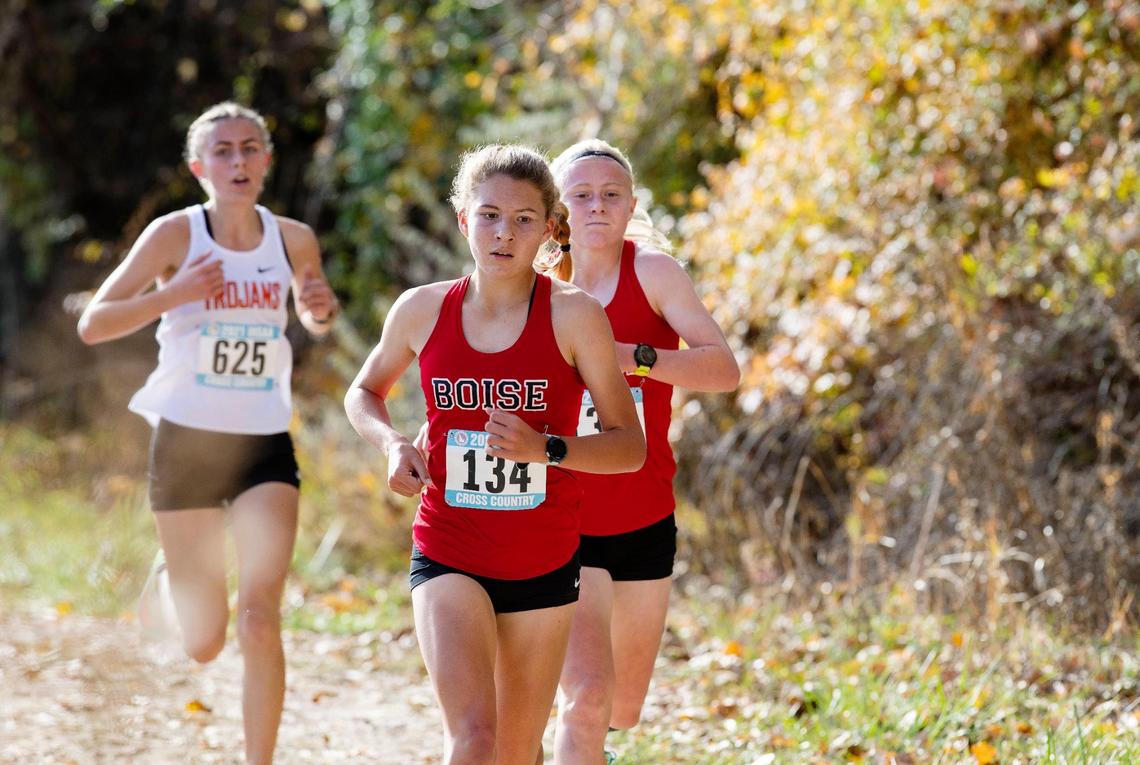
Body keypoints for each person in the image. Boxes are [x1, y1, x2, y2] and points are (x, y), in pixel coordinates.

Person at [344, 144, 645, 765]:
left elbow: (629, 446)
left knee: (514, 751)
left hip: (543, 558)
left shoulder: (574, 316)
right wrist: (394, 442)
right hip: (449, 545)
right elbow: (365, 391)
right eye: (489, 216)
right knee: (474, 741)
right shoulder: (422, 309)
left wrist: (548, 448)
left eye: (523, 219)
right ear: (463, 220)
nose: (504, 233)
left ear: (547, 229)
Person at [77, 101, 338, 765]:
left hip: (262, 442)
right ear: (200, 167)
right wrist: (175, 292)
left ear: (267, 160)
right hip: (188, 441)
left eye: (250, 148)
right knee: (204, 641)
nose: (239, 161)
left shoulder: (293, 237)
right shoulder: (175, 235)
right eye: (222, 151)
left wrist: (318, 310)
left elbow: (314, 311)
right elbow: (95, 322)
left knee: (259, 616)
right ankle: (169, 576)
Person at [545, 139, 740, 765]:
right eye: (581, 196)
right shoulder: (536, 290)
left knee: (619, 710)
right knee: (587, 699)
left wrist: (636, 358)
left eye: (610, 195)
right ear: (557, 214)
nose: (596, 207)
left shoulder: (653, 273)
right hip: (563, 518)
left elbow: (723, 369)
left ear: (630, 207)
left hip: (644, 515)